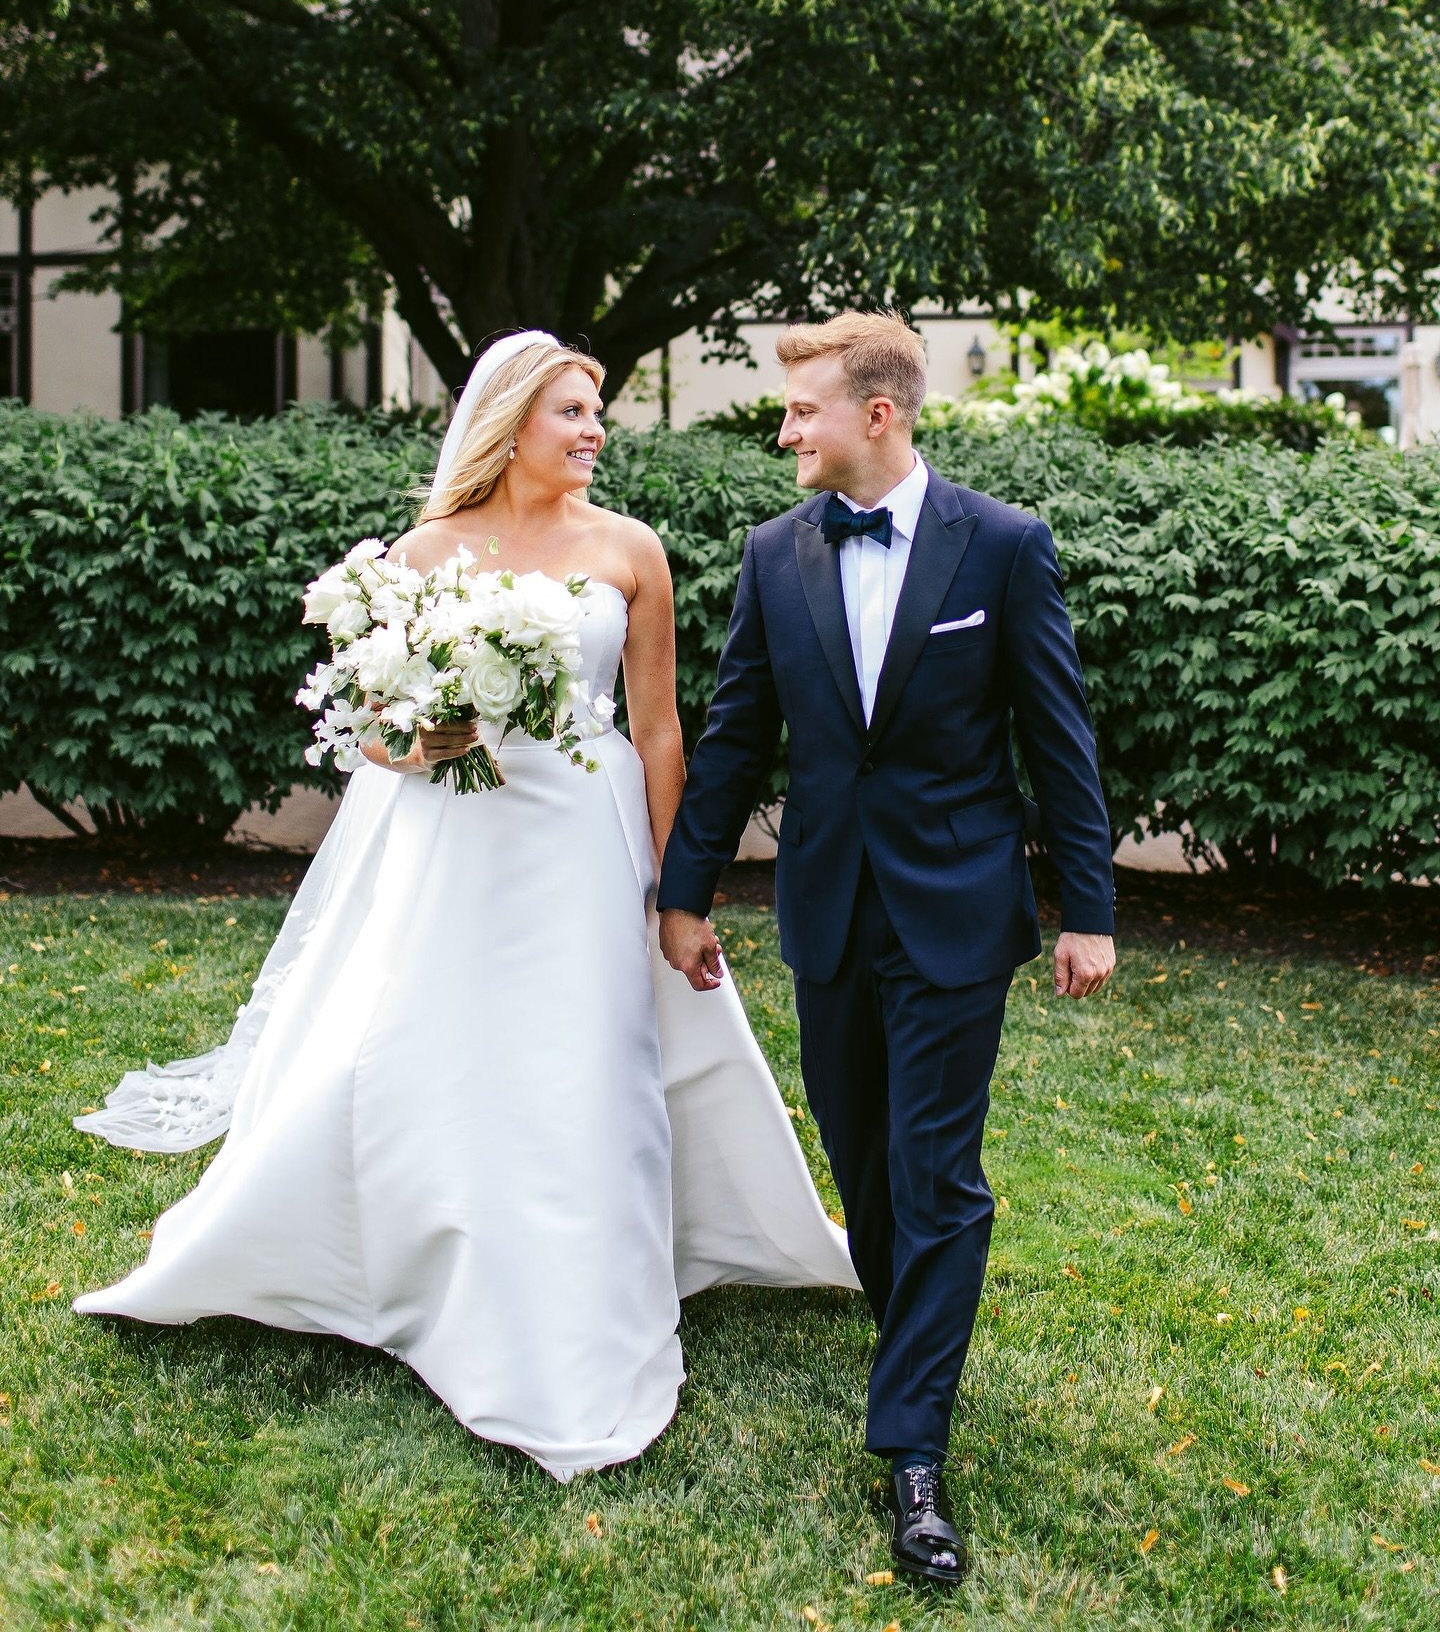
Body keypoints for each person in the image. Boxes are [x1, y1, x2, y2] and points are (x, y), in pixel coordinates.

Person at [74, 330, 857, 1481]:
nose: (595, 432)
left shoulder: (630, 550)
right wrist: (415, 736)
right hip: (457, 841)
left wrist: (675, 880)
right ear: (507, 425)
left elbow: (657, 731)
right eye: (572, 413)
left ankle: (578, 1289)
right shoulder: (426, 550)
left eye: (598, 413)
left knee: (582, 1062)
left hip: (584, 848)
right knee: (428, 1049)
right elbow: (375, 730)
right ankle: (411, 1257)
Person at [657, 311, 1116, 1582]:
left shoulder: (1005, 548)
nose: (783, 427)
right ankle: (909, 1329)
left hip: (958, 908)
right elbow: (738, 734)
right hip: (828, 908)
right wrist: (684, 893)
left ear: (879, 413)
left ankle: (913, 1447)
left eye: (802, 408)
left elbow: (1057, 742)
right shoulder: (771, 555)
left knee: (936, 1176)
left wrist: (1089, 909)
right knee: (863, 1164)